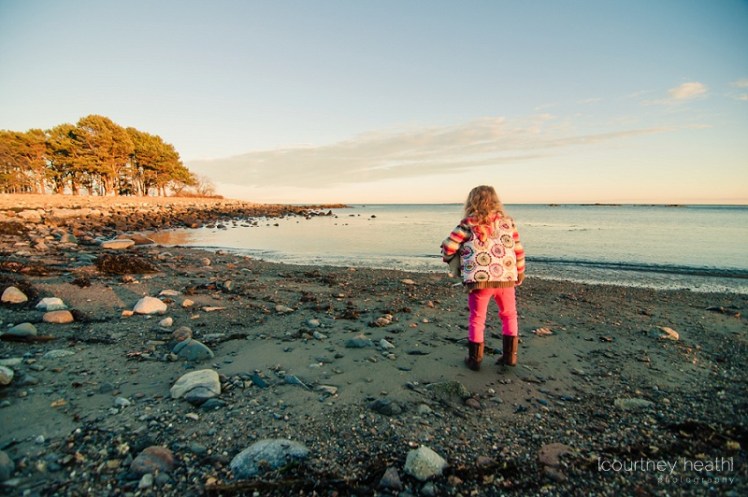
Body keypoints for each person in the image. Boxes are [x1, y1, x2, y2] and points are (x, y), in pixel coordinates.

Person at [441, 185, 525, 371]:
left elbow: (448, 246)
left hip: (480, 280)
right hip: (506, 279)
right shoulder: (508, 223)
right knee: (509, 315)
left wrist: (451, 258)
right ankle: (510, 357)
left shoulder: (468, 223)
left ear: (471, 202)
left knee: (477, 318)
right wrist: (520, 272)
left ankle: (475, 360)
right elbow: (518, 250)